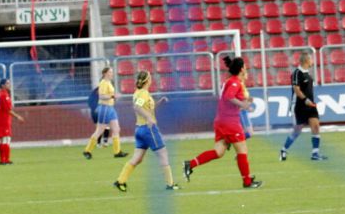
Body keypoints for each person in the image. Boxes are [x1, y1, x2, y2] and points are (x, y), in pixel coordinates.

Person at [183, 55, 262, 188]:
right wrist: (243, 105)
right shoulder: (235, 82)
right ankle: (247, 181)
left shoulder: (230, 81)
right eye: (245, 66)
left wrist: (246, 102)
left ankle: (190, 164)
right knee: (242, 150)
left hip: (221, 120)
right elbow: (229, 97)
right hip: (230, 122)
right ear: (242, 68)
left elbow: (230, 99)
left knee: (218, 152)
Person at [114, 70, 179, 192]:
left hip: (139, 130)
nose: (151, 79)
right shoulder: (143, 93)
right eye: (150, 77)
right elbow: (137, 107)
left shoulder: (138, 93)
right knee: (163, 153)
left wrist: (159, 102)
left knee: (137, 158)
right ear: (147, 80)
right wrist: (149, 118)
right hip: (148, 129)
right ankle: (170, 184)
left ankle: (120, 180)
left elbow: (145, 108)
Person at [280, 51, 325, 161]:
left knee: (316, 126)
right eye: (311, 59)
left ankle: (315, 154)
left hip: (310, 105)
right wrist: (305, 100)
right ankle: (284, 149)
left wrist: (311, 102)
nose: (312, 62)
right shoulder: (297, 73)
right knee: (297, 131)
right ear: (306, 60)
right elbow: (296, 89)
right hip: (299, 106)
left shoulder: (308, 74)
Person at [83, 65, 125, 159]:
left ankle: (117, 152)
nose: (112, 74)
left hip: (110, 108)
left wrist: (114, 97)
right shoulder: (103, 83)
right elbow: (101, 96)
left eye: (112, 72)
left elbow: (109, 95)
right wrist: (113, 96)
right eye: (110, 72)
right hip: (105, 108)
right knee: (100, 130)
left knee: (116, 129)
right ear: (105, 74)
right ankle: (87, 150)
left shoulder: (108, 82)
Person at [0, 79, 25, 165]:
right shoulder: (3, 95)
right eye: (7, 83)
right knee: (6, 139)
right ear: (2, 85)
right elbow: (8, 110)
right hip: (2, 120)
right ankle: (5, 160)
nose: (9, 85)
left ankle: (3, 159)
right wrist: (18, 117)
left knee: (2, 140)